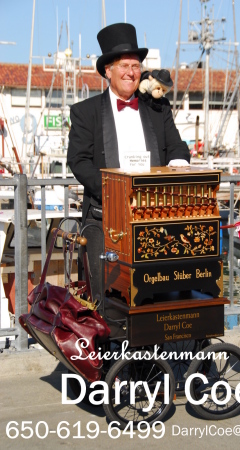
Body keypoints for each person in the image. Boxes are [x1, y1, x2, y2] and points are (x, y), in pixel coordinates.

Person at [67, 23, 190, 298]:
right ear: (108, 71)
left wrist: (178, 167)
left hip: (153, 216)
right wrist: (113, 191)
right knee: (104, 296)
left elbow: (178, 147)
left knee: (154, 291)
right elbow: (78, 161)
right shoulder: (85, 112)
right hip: (104, 218)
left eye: (136, 66)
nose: (131, 72)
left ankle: (150, 341)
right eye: (124, 65)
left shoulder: (158, 108)